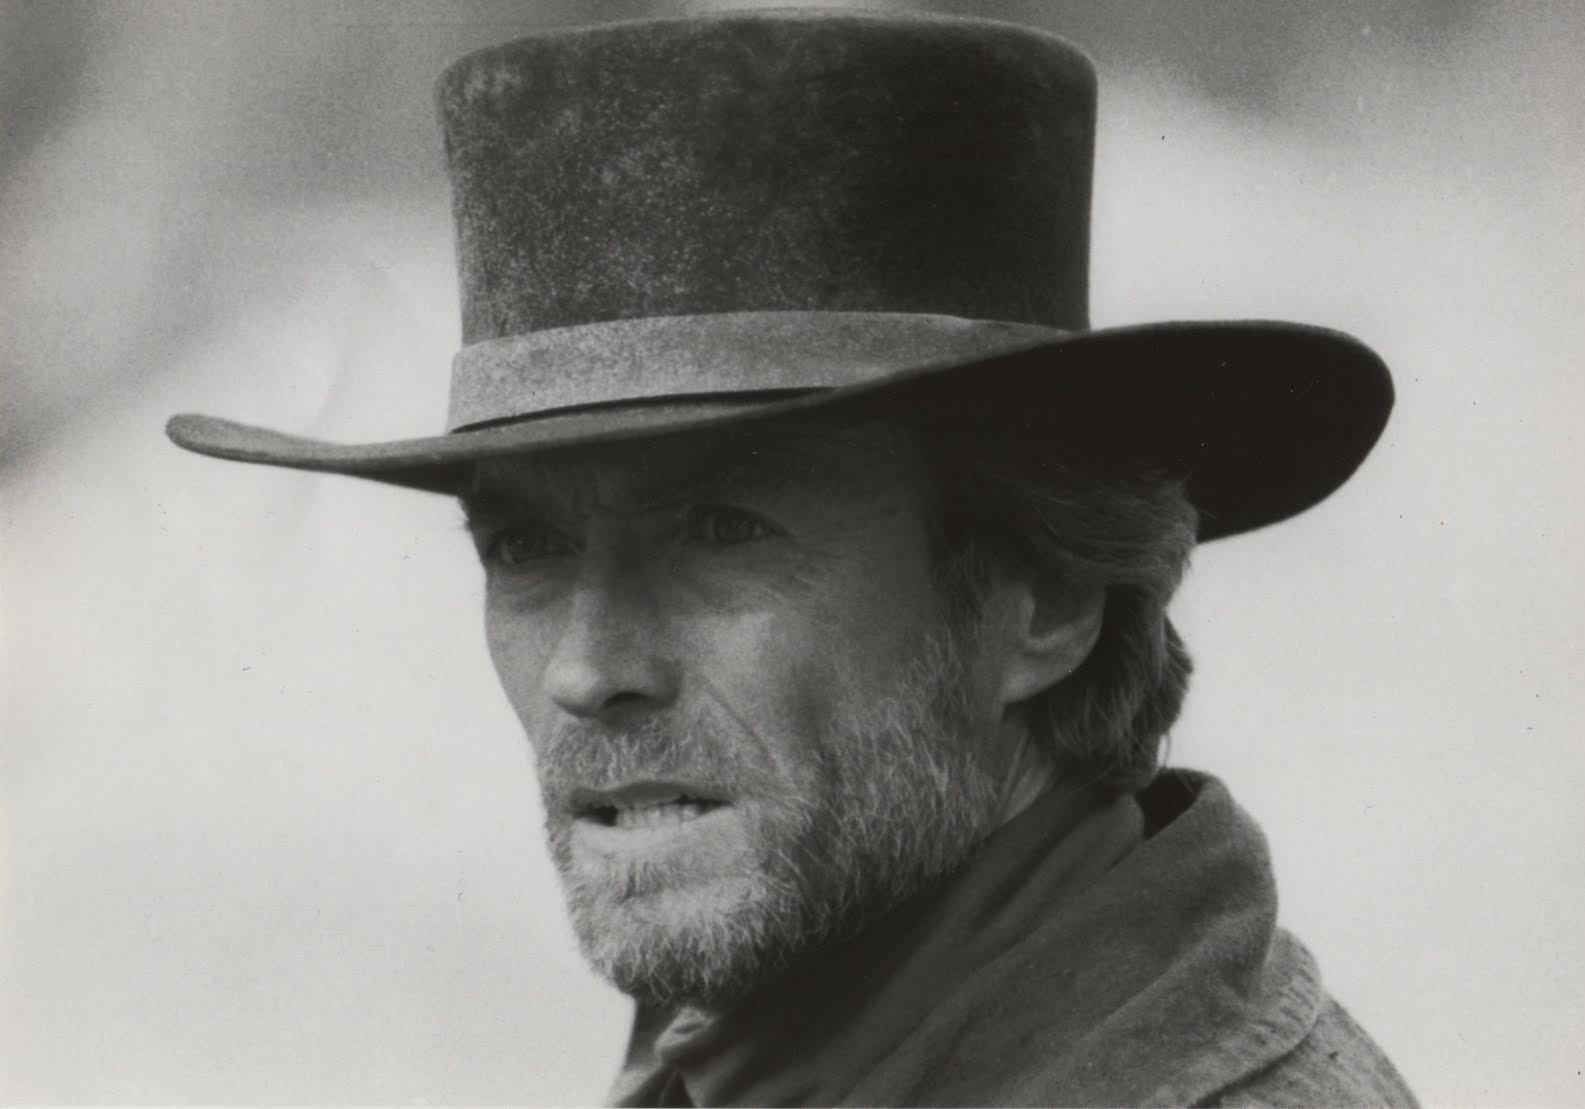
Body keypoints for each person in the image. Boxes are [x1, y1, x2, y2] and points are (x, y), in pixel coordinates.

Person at [168, 10, 1416, 1106]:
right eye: (524, 545)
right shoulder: (756, 1049)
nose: (586, 669)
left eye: (722, 529)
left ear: (1044, 597)